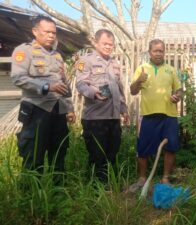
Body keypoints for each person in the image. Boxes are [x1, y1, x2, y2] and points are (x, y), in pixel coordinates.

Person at [11, 15, 75, 177]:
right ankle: (31, 195)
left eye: (53, 33)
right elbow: (18, 78)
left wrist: (69, 109)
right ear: (35, 31)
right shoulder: (24, 51)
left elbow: (64, 83)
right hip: (36, 110)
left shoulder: (57, 55)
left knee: (59, 151)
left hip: (58, 111)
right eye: (47, 32)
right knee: (33, 153)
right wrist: (46, 87)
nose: (51, 36)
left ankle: (58, 193)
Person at [75, 29, 129, 183]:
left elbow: (119, 89)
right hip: (95, 118)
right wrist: (93, 92)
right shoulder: (86, 61)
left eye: (111, 45)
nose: (108, 47)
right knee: (97, 156)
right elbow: (80, 84)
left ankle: (111, 187)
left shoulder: (115, 63)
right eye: (105, 43)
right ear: (96, 42)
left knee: (112, 154)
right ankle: (96, 191)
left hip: (113, 117)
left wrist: (124, 109)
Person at [130, 39, 182, 187]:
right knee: (143, 148)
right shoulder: (142, 68)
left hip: (169, 115)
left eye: (161, 51)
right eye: (155, 51)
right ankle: (141, 179)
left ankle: (165, 178)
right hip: (148, 114)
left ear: (164, 52)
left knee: (170, 147)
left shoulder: (171, 70)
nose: (158, 54)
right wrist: (139, 81)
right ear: (150, 52)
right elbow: (133, 92)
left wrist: (177, 97)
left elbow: (179, 90)